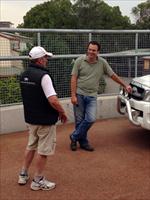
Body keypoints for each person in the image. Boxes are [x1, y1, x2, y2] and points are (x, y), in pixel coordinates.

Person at [18, 46, 67, 191]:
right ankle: (38, 180)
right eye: (45, 58)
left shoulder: (23, 75)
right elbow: (53, 100)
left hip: (31, 119)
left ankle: (23, 174)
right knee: (44, 151)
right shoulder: (44, 76)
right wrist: (62, 112)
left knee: (31, 145)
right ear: (39, 60)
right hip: (45, 120)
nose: (47, 60)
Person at [70, 41, 132, 152]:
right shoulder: (79, 61)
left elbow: (112, 75)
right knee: (79, 120)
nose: (91, 52)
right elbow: (73, 78)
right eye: (89, 49)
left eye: (93, 50)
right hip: (79, 94)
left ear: (98, 52)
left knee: (90, 119)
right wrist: (73, 95)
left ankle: (74, 136)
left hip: (92, 96)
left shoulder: (102, 63)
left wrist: (124, 85)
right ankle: (82, 142)